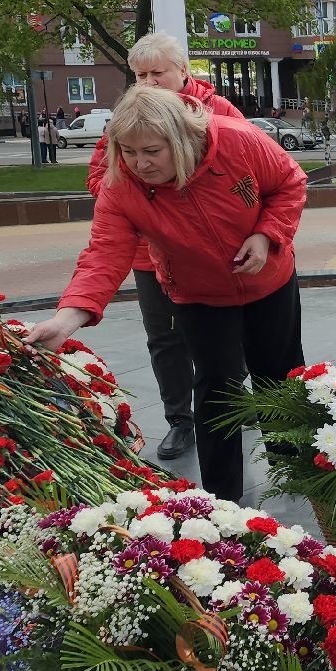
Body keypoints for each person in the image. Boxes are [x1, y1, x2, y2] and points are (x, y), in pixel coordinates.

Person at [27, 85, 308, 503]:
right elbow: (104, 253)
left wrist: (266, 236)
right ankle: (223, 499)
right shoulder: (121, 185)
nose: (139, 164)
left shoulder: (237, 140)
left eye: (152, 152)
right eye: (129, 151)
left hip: (269, 280)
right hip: (198, 294)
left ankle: (297, 469)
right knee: (217, 389)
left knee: (280, 375)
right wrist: (68, 319)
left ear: (179, 139)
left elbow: (288, 184)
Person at [84, 31, 246, 462]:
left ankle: (231, 405)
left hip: (215, 251)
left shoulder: (217, 112)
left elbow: (250, 173)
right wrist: (144, 195)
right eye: (141, 75)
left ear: (183, 71)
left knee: (226, 333)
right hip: (149, 253)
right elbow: (101, 179)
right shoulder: (127, 119)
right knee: (165, 338)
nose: (150, 81)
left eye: (159, 72)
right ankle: (180, 420)